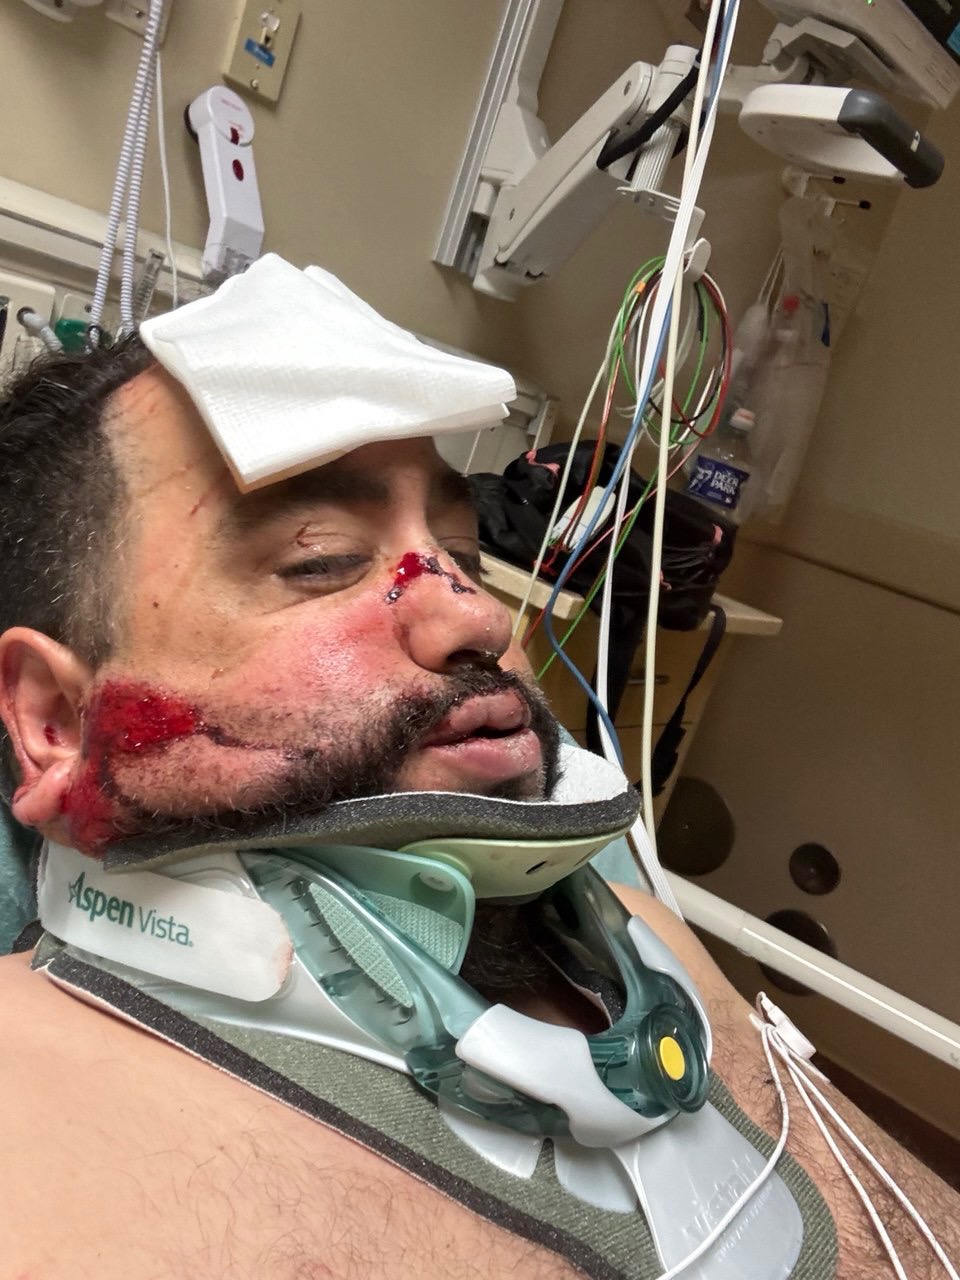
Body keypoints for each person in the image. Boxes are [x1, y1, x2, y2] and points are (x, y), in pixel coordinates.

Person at [0, 333, 956, 1280]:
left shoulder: (644, 938)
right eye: (321, 558)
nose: (482, 616)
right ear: (56, 723)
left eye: (465, 553)